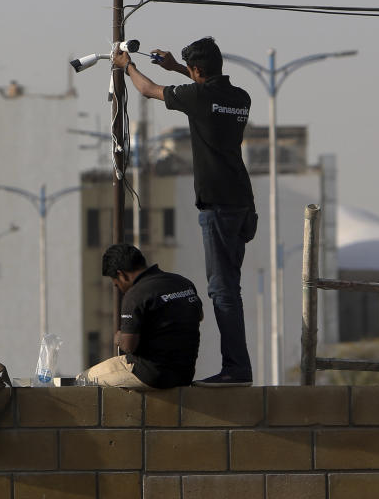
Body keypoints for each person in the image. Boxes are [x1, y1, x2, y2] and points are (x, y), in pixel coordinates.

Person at [112, 37, 257, 387]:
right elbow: (206, 91)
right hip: (242, 204)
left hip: (218, 206)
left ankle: (236, 369)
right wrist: (178, 68)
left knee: (222, 291)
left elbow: (147, 90)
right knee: (229, 287)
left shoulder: (198, 97)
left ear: (197, 71)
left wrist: (126, 65)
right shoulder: (240, 98)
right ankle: (236, 367)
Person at [82, 243, 203, 389]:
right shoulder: (182, 282)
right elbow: (199, 315)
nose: (119, 289)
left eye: (116, 284)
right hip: (185, 374)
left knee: (82, 381)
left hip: (151, 374)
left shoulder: (135, 295)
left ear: (122, 275)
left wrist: (118, 337)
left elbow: (129, 345)